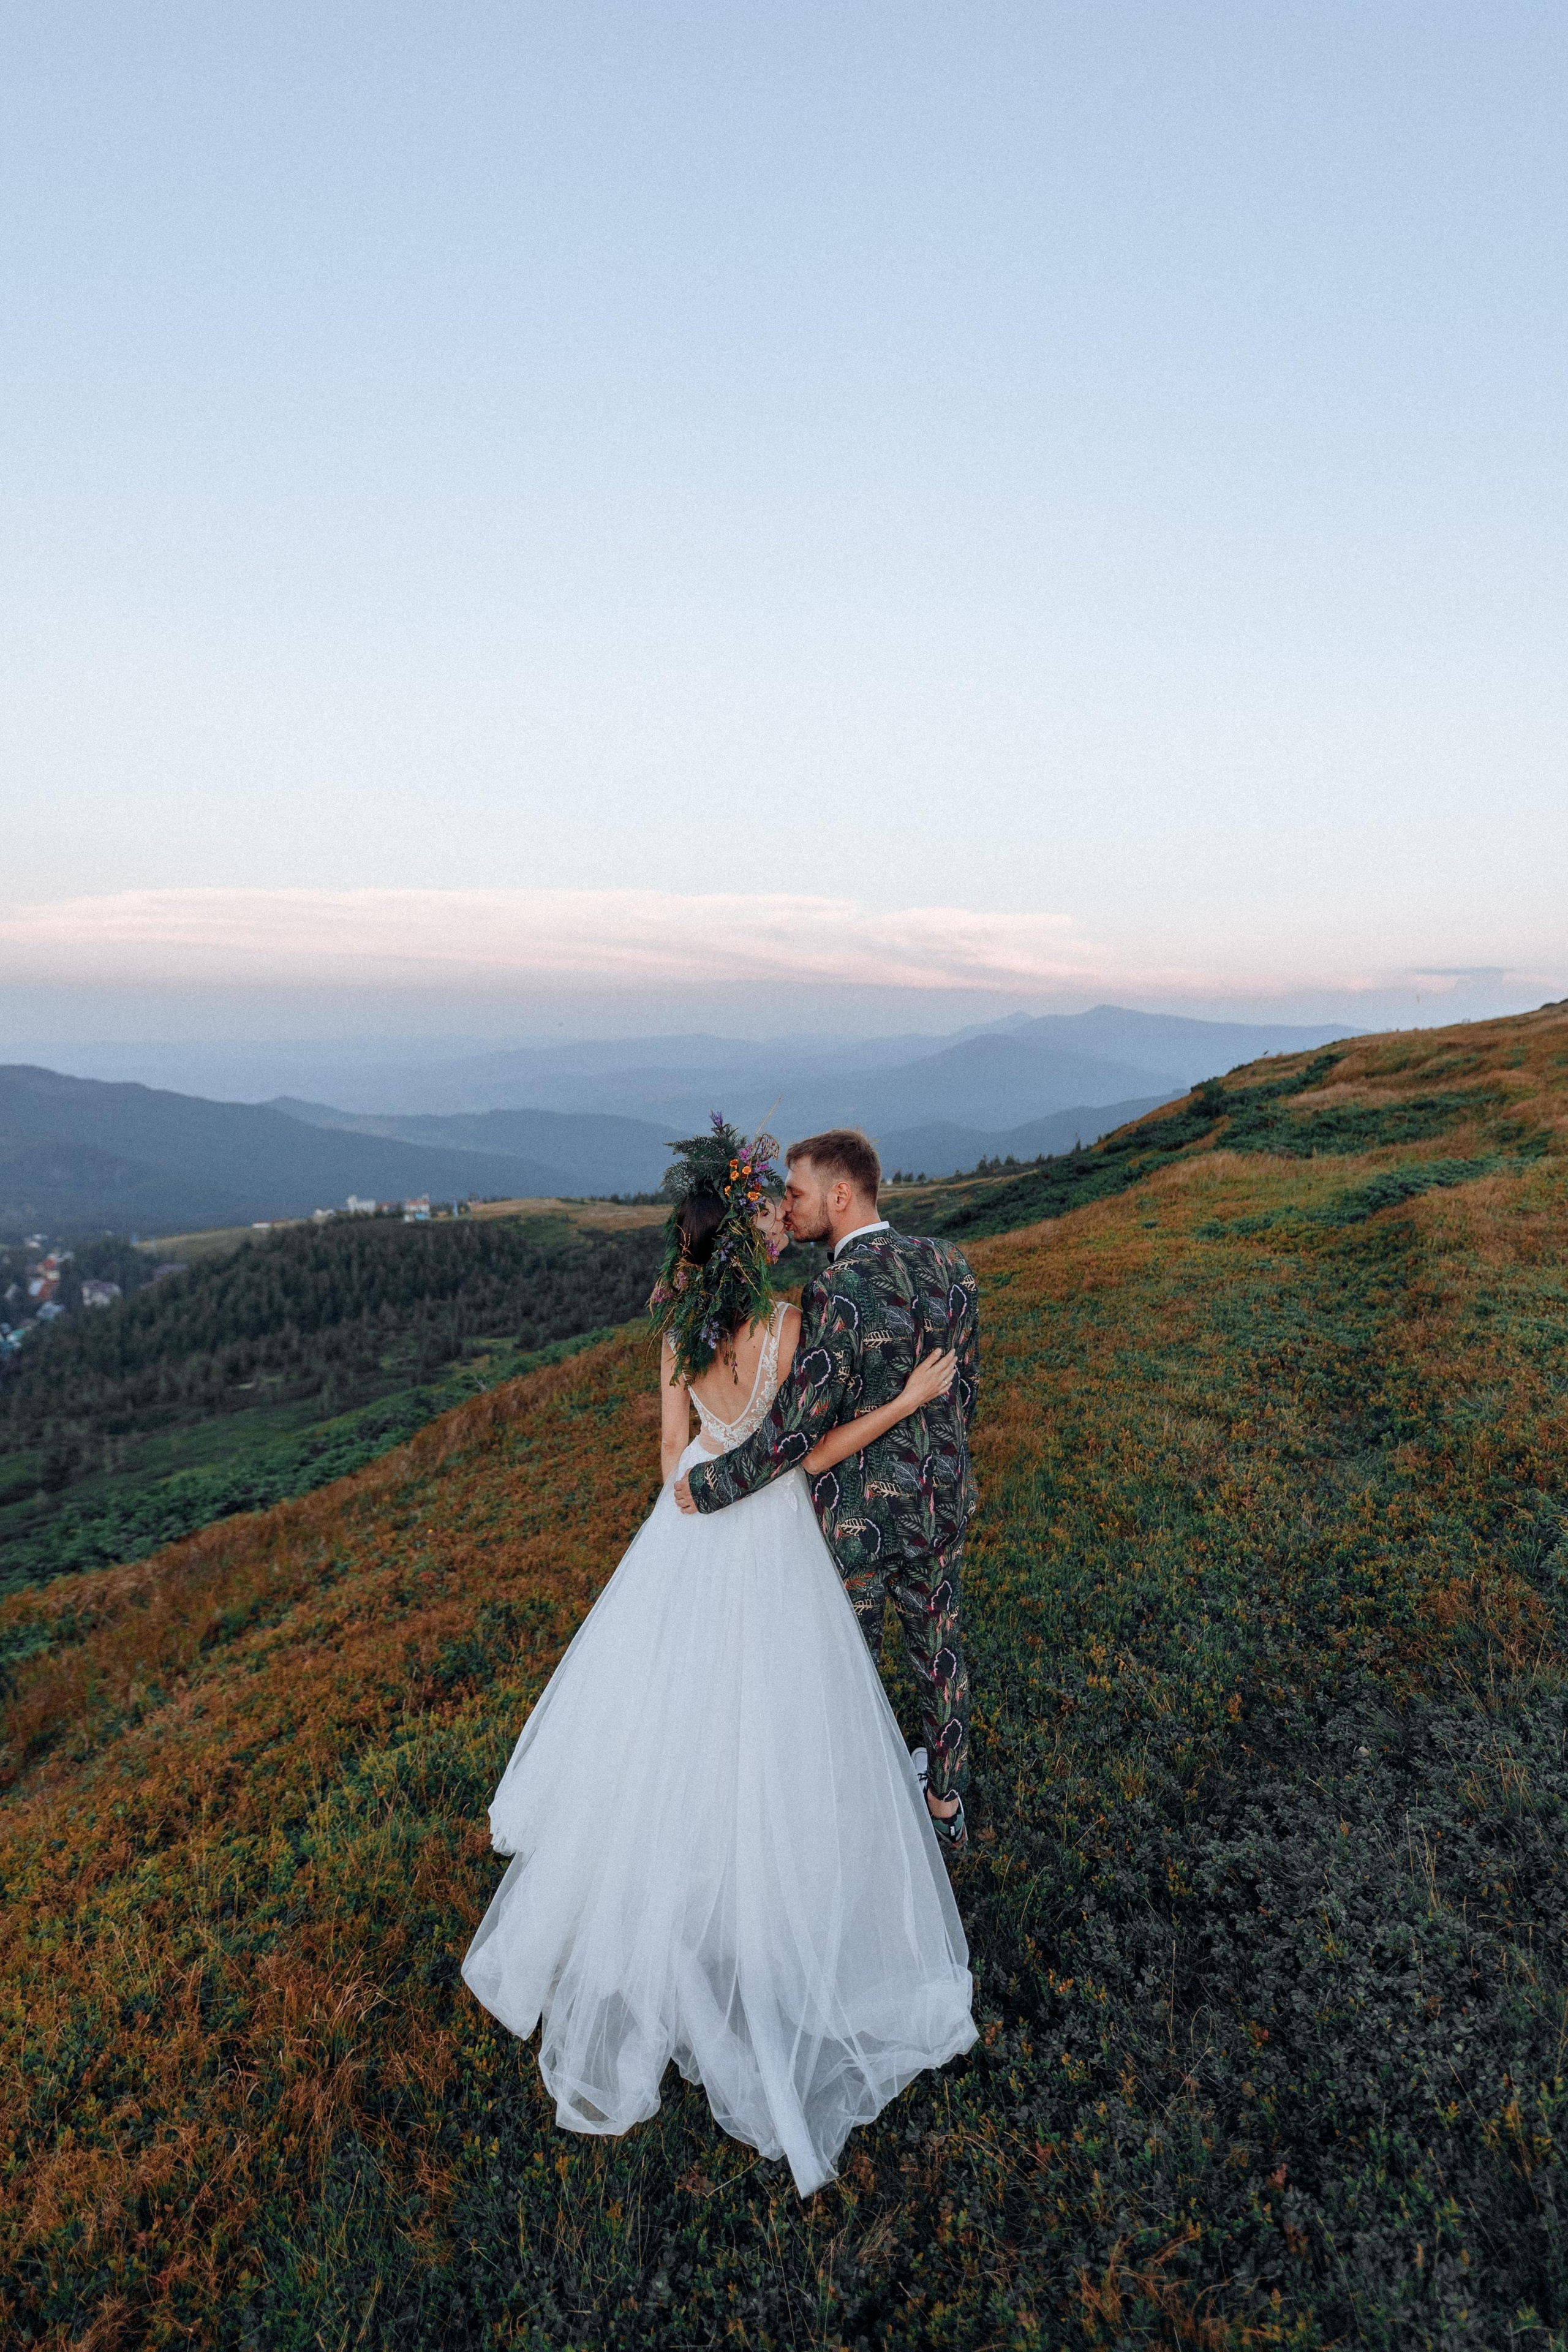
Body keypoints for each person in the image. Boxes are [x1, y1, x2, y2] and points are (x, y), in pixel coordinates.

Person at [461, 1118, 976, 2199]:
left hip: (684, 1528)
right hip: (768, 1525)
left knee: (664, 1713)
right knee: (781, 1713)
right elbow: (807, 1449)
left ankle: (662, 1886)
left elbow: (670, 1463)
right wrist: (908, 1400)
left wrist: (695, 1481)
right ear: (747, 1243)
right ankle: (813, 1877)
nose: (780, 1219)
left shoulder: (674, 1334)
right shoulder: (791, 1322)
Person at [676, 1127, 979, 1853]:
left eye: (799, 1192)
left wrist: (710, 1485)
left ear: (840, 1195)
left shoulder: (834, 1293)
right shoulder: (948, 1262)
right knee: (940, 1655)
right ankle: (946, 1810)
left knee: (850, 1675)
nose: (790, 1207)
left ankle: (851, 1833)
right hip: (939, 1500)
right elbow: (961, 1393)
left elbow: (792, 1433)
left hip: (858, 1522)